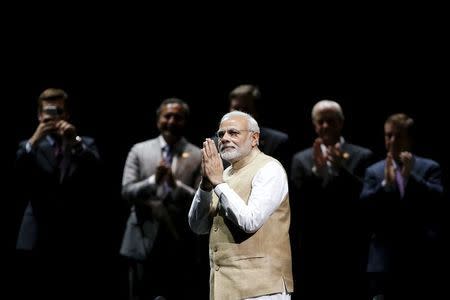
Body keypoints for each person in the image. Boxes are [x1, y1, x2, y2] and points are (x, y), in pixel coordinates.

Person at [189, 110, 293, 299]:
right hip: (224, 288)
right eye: (221, 134)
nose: (225, 138)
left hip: (262, 289)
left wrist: (219, 184)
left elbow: (250, 221)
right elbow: (198, 227)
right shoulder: (223, 174)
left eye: (233, 133)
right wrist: (205, 186)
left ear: (254, 138)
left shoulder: (270, 169)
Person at [14, 88, 102, 298]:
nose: (53, 117)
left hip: (73, 232)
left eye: (59, 111)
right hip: (37, 229)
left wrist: (75, 142)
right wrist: (34, 140)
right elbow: (16, 173)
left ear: (67, 114)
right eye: (48, 112)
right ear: (39, 115)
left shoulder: (84, 143)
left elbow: (98, 173)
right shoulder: (28, 147)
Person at [290, 100, 373, 299]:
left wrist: (340, 170)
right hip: (313, 245)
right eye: (321, 121)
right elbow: (297, 201)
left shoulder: (362, 155)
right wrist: (316, 173)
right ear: (314, 124)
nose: (325, 126)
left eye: (331, 121)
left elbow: (366, 197)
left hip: (351, 243)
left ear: (341, 122)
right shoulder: (301, 159)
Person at [120, 98, 202, 300]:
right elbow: (126, 191)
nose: (172, 121)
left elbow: (202, 200)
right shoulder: (139, 150)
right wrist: (152, 181)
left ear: (185, 121)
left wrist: (176, 186)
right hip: (141, 237)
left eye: (178, 117)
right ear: (158, 120)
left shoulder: (198, 154)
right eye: (167, 116)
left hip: (179, 241)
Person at [360, 113, 444, 300]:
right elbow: (365, 208)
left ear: (410, 138)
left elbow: (437, 200)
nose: (392, 141)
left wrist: (409, 177)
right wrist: (385, 186)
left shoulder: (430, 167)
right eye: (388, 136)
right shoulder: (373, 171)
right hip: (383, 263)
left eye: (398, 136)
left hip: (420, 258)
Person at [224, 84, 290, 169]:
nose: (239, 114)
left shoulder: (277, 142)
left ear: (256, 111)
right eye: (236, 109)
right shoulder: (215, 143)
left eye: (245, 109)